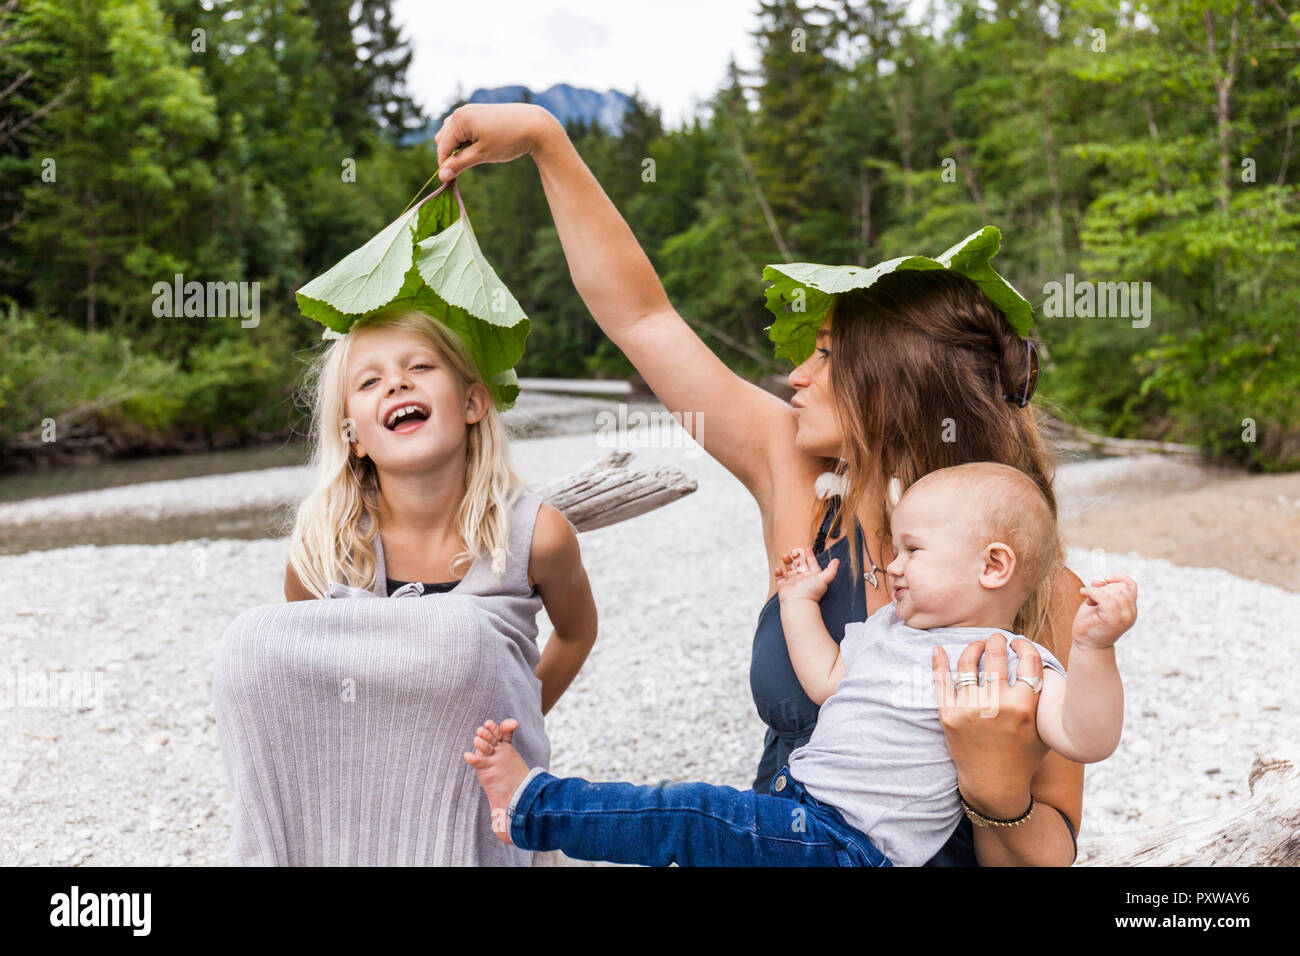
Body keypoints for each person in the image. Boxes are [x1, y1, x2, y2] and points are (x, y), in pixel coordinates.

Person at [432, 102, 1088, 865]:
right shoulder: (801, 484)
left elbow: (1047, 855)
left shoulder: (1042, 589)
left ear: (896, 387)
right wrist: (546, 139)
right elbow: (643, 318)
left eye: (827, 355)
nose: (794, 375)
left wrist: (991, 786)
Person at [462, 463, 1133, 866]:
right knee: (688, 826)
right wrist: (796, 602)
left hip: (851, 846)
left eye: (913, 550)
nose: (892, 565)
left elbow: (1087, 737)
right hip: (801, 808)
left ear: (993, 566)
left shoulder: (1018, 662)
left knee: (684, 814)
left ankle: (534, 805)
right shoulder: (888, 631)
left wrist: (1095, 649)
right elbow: (825, 678)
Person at [281, 307, 598, 717]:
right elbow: (304, 675)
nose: (397, 382)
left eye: (420, 365)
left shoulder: (538, 535)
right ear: (352, 436)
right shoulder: (323, 548)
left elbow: (576, 634)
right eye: (370, 381)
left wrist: (518, 719)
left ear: (472, 403)